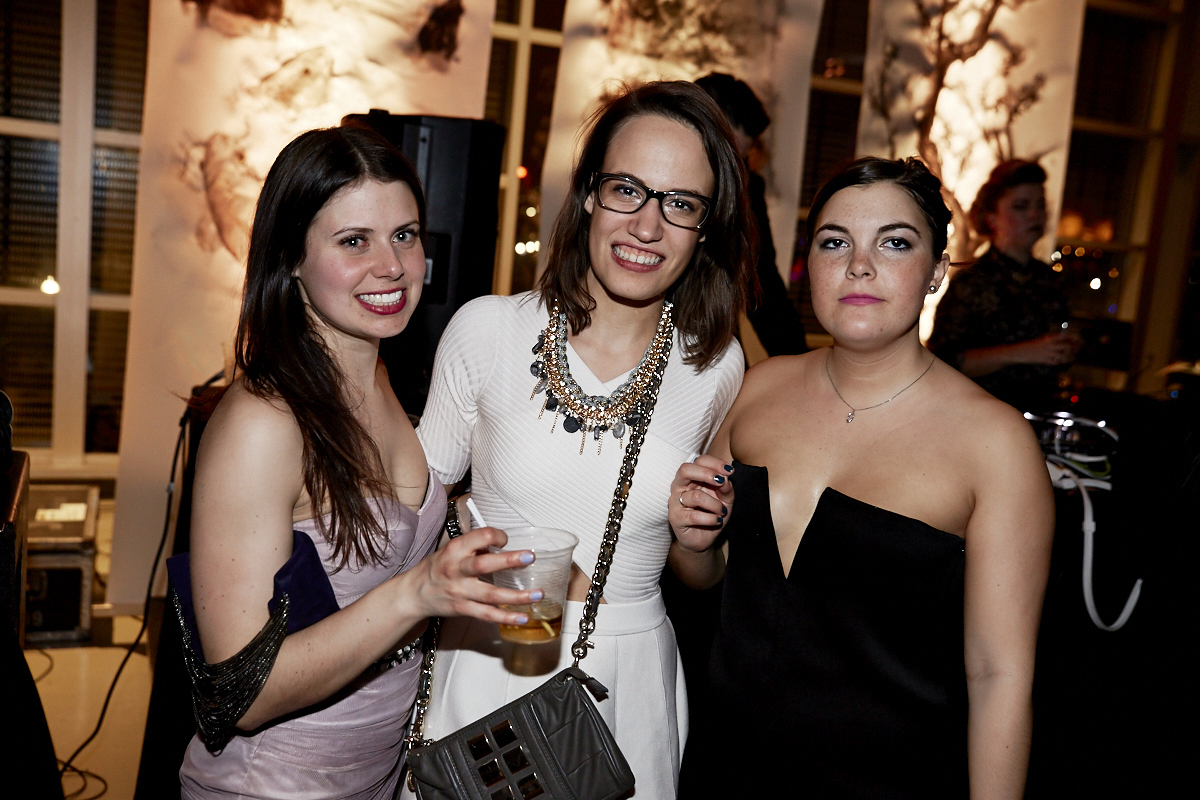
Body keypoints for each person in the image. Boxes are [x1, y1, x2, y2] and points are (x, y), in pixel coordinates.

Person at [670, 157, 1054, 798]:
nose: (859, 265)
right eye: (834, 242)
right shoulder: (758, 390)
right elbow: (705, 576)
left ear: (936, 270)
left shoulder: (996, 443)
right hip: (722, 765)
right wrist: (692, 539)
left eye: (895, 243)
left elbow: (999, 677)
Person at [179, 126, 541, 799]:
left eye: (405, 235)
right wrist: (418, 592)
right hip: (276, 785)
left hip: (377, 775)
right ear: (289, 256)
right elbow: (238, 693)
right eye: (355, 242)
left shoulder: (376, 376)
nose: (393, 266)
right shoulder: (263, 422)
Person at [410, 81, 750, 798]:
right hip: (490, 655)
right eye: (627, 189)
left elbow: (701, 574)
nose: (648, 226)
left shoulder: (716, 366)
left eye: (680, 204)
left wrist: (701, 542)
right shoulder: (488, 329)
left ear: (705, 228)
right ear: (590, 194)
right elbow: (410, 512)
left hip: (626, 675)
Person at [929, 159, 1080, 410]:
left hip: (1040, 413)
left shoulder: (1050, 280)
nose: (1035, 214)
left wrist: (1068, 348)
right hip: (979, 416)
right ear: (992, 218)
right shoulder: (972, 280)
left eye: (1040, 205)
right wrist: (1024, 352)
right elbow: (942, 360)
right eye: (1021, 206)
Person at [695, 72, 807, 357]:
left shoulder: (747, 187)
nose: (737, 163)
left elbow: (761, 278)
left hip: (707, 340)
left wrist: (796, 361)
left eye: (740, 155)